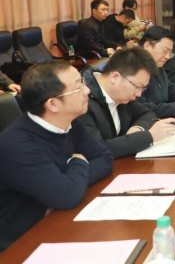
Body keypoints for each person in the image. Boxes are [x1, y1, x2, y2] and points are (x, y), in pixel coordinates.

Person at [0, 62, 113, 251]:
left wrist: (68, 181)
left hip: (56, 222)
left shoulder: (69, 122)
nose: (87, 91)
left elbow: (105, 158)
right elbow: (67, 196)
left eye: (83, 83)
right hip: (19, 244)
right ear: (53, 104)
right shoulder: (16, 145)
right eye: (78, 87)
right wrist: (77, 162)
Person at [76, 47, 175, 158]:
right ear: (115, 77)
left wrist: (137, 129)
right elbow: (97, 149)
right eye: (137, 86)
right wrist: (149, 136)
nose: (139, 94)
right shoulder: (82, 103)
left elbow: (147, 113)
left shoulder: (123, 96)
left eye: (143, 88)